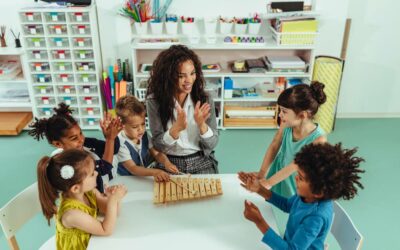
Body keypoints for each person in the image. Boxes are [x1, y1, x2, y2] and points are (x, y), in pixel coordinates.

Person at [240, 143, 365, 249]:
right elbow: (287, 205)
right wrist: (259, 189)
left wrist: (259, 221)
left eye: (300, 178)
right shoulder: (308, 195)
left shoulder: (316, 217)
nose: (295, 178)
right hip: (292, 242)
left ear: (318, 192)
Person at [240, 82, 327, 197]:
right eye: (280, 110)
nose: (280, 115)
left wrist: (268, 182)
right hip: (279, 171)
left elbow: (295, 165)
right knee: (272, 202)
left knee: (290, 206)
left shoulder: (318, 139)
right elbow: (275, 144)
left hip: (297, 180)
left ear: (302, 115)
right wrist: (262, 174)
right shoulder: (286, 123)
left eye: (284, 111)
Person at [146, 44, 219, 174]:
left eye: (192, 73)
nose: (189, 80)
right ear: (168, 76)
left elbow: (212, 144)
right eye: (181, 76)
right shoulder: (154, 101)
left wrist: (202, 125)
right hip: (169, 162)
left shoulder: (205, 99)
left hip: (201, 160)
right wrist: (176, 129)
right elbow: (158, 145)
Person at [37, 149, 127, 249]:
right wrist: (113, 201)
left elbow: (113, 212)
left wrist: (112, 197)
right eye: (92, 174)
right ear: (76, 188)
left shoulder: (89, 192)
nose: (97, 173)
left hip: (94, 243)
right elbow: (106, 230)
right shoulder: (71, 214)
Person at [29, 103, 122, 193]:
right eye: (74, 138)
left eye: (81, 133)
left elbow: (114, 149)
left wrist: (110, 134)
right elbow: (104, 168)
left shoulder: (85, 143)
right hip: (90, 204)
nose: (81, 139)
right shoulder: (65, 162)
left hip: (108, 190)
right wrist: (110, 139)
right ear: (58, 144)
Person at [115, 95, 178, 181]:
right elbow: (133, 168)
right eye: (135, 127)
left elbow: (156, 153)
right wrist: (154, 172)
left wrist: (166, 163)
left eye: (143, 124)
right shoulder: (120, 143)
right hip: (127, 179)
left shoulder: (143, 135)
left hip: (142, 176)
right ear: (122, 125)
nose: (141, 129)